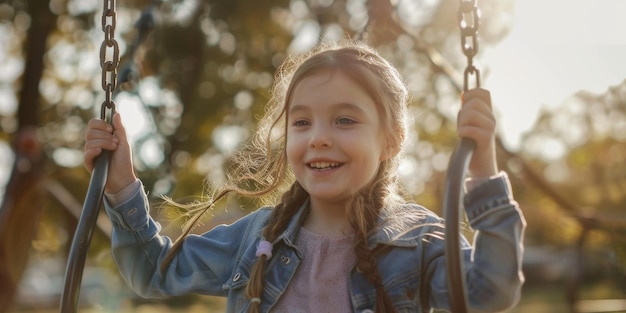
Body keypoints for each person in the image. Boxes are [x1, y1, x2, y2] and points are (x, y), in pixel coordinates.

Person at [84, 40, 525, 313]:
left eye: (345, 120)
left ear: (392, 139)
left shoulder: (419, 242)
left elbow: (489, 292)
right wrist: (121, 185)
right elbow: (152, 273)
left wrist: (483, 167)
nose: (318, 138)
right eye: (302, 123)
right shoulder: (258, 238)